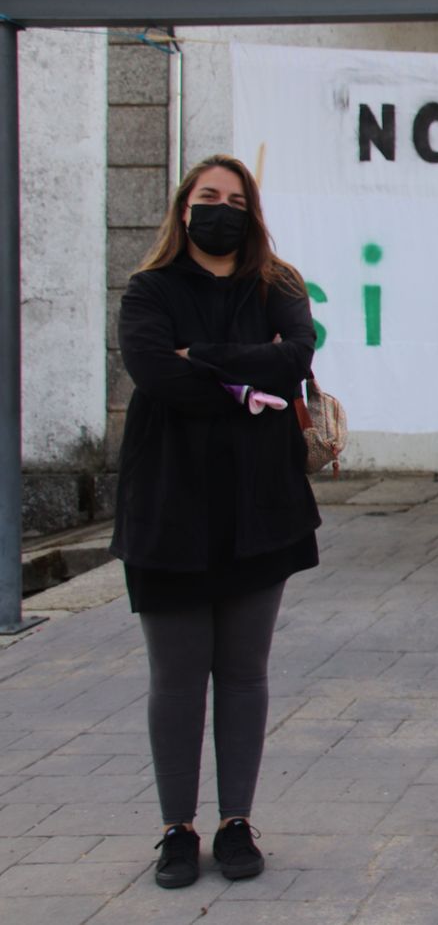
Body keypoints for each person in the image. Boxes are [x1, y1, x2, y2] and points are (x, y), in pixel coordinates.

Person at [111, 155, 321, 888]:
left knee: (242, 672)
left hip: (260, 508)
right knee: (175, 676)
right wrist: (246, 375)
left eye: (235, 199)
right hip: (168, 508)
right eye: (208, 197)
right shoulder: (149, 289)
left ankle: (236, 823)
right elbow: (152, 373)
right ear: (183, 206)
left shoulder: (278, 285)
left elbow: (296, 355)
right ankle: (176, 829)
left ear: (252, 212)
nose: (221, 209)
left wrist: (200, 358)